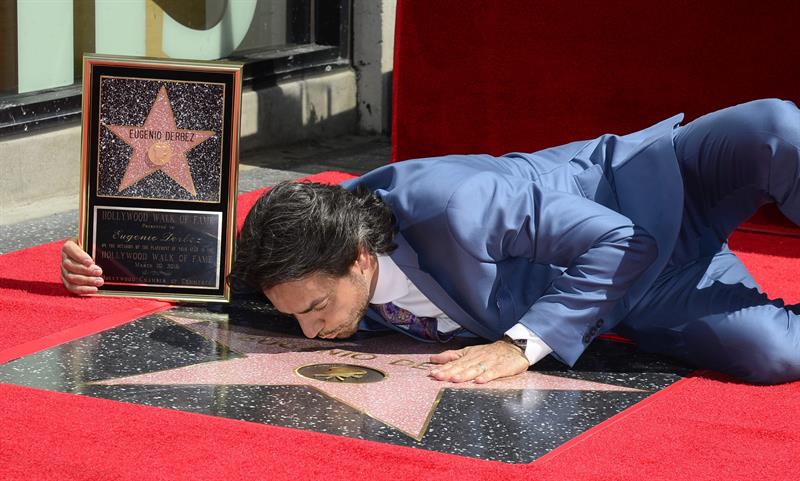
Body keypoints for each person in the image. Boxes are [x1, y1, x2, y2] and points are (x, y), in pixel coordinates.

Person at [61, 99, 800, 386]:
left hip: (643, 191)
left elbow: (619, 236)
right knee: (776, 357)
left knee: (777, 129)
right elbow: (228, 272)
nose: (308, 330)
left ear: (357, 258)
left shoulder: (461, 207)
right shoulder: (304, 270)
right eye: (297, 318)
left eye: (316, 309)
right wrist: (105, 261)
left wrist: (522, 345)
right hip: (645, 290)